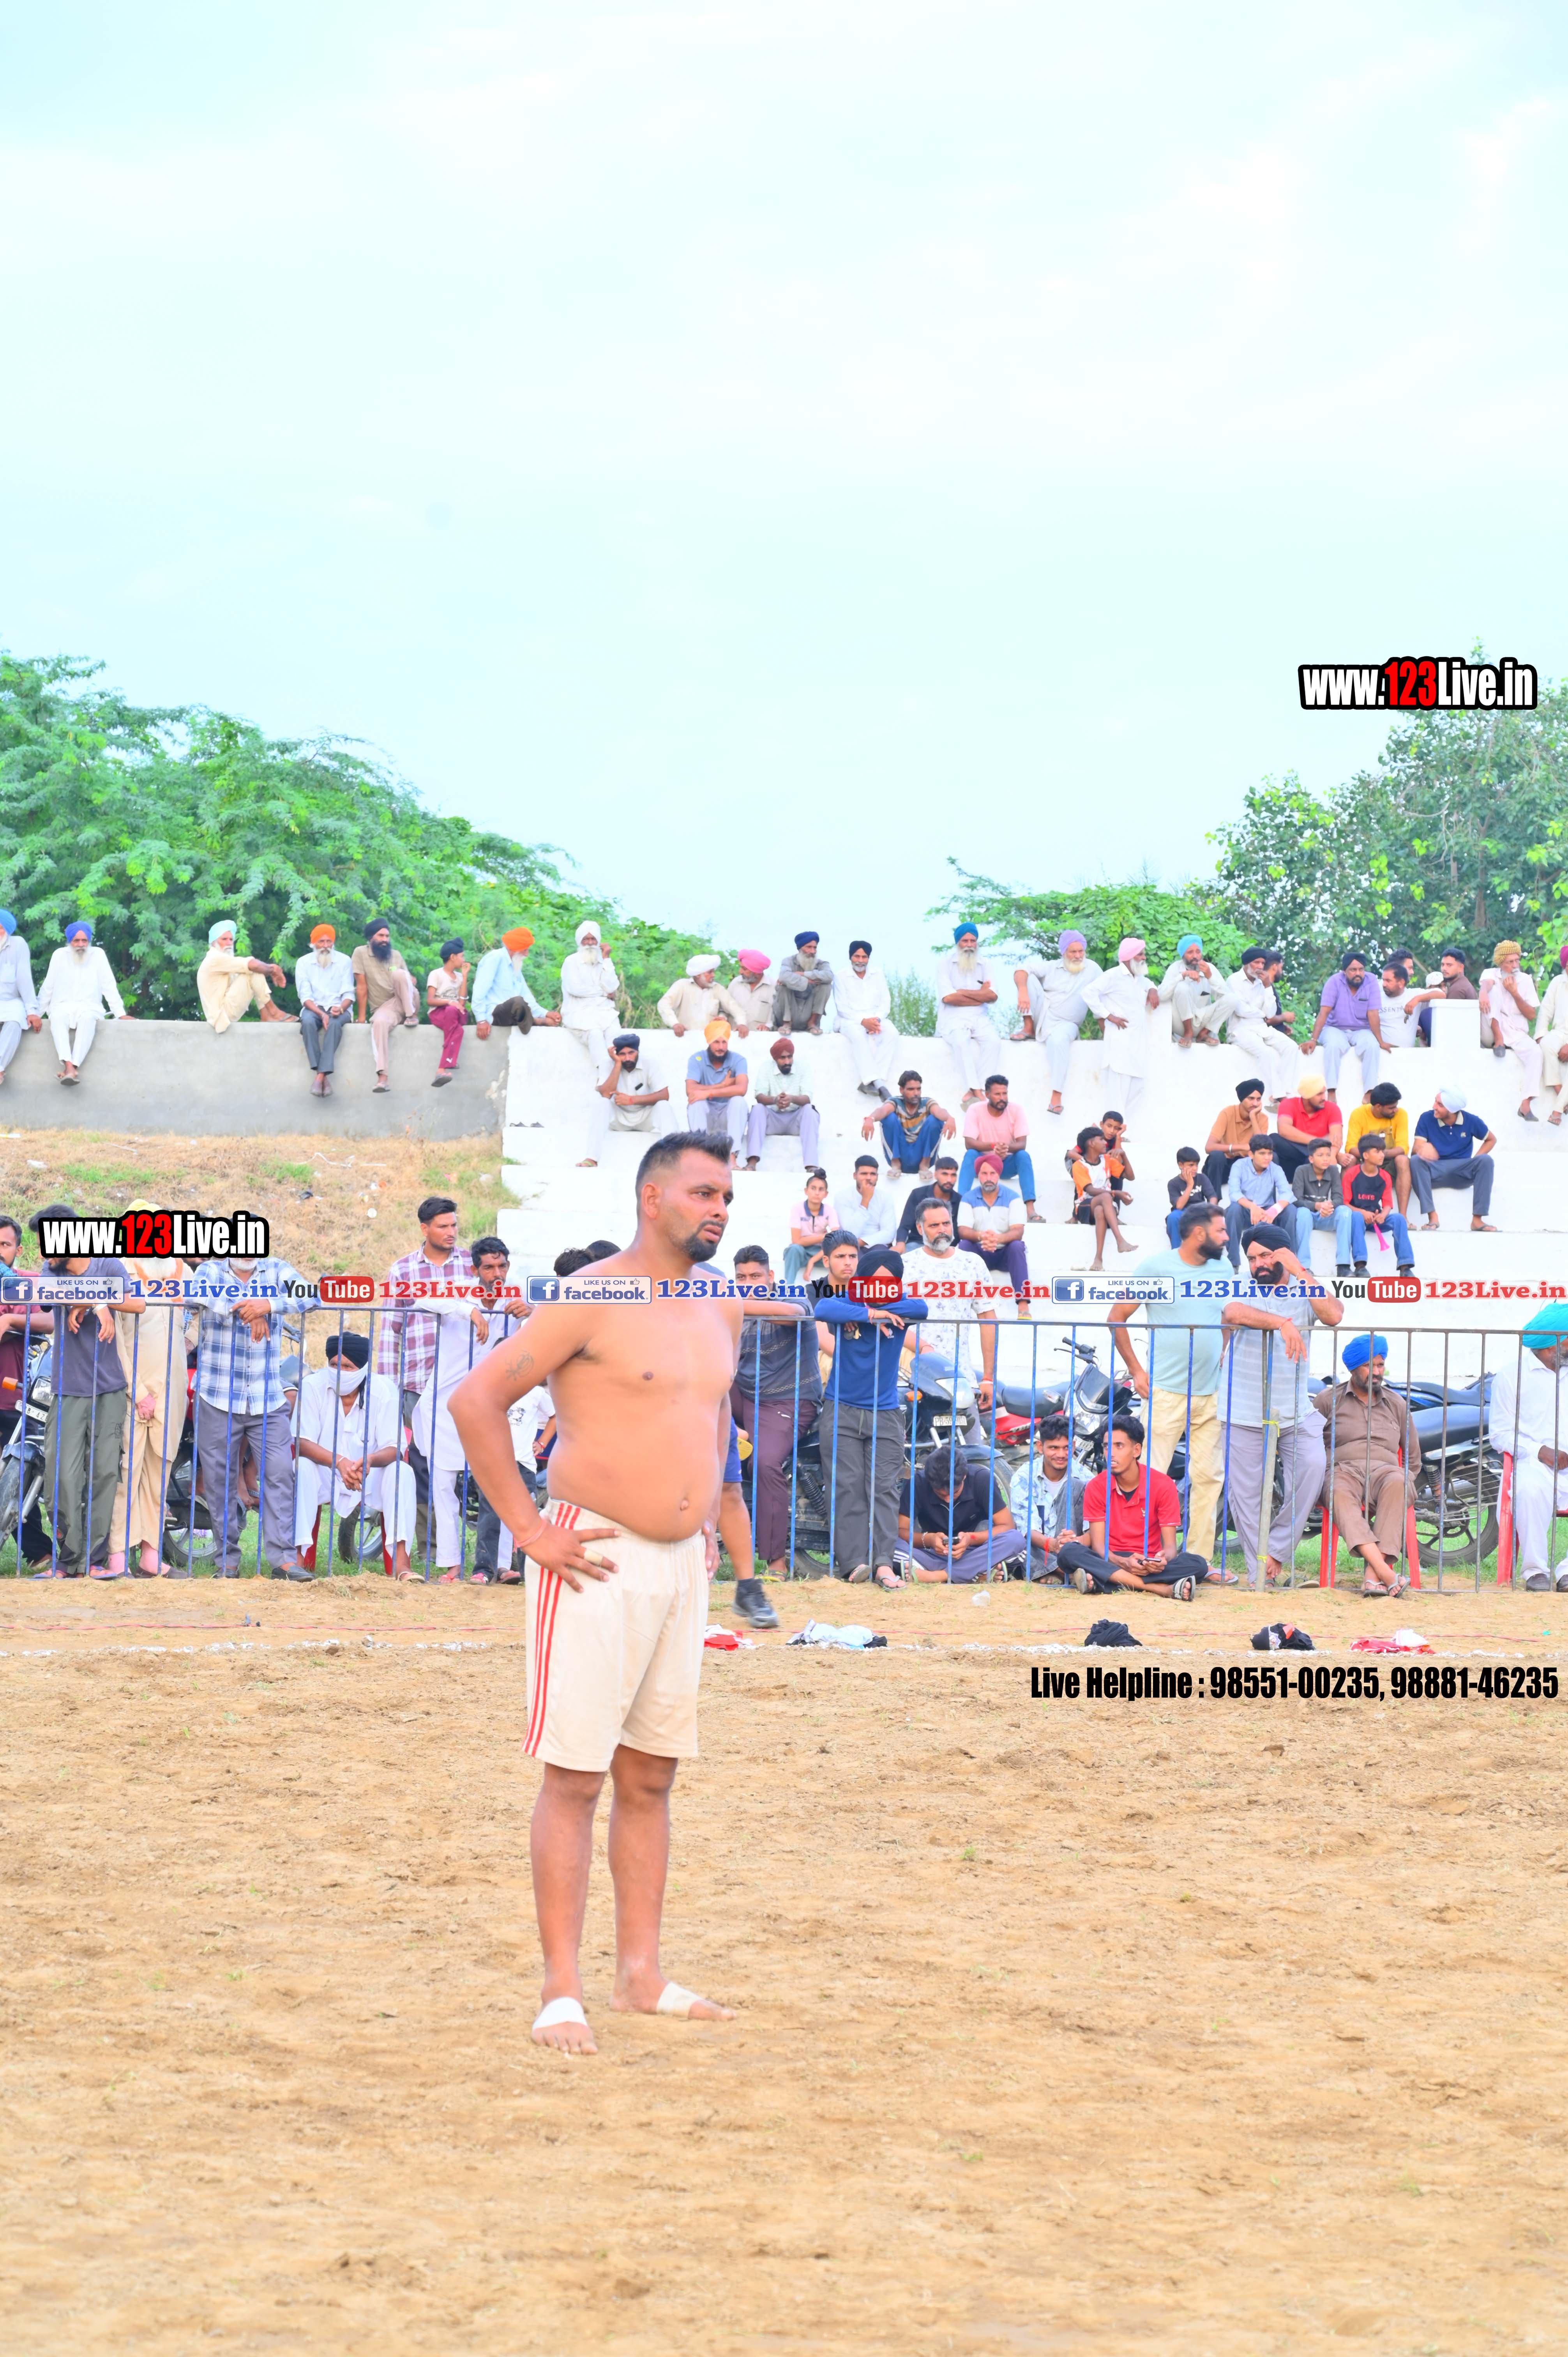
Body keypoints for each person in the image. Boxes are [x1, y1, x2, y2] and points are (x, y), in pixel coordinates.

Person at [448, 1131, 745, 2052]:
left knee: (651, 1775)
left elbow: (707, 1414)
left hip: (680, 1564)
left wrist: (712, 1520)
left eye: (725, 1197)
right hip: (592, 1555)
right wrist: (530, 1530)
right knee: (575, 1776)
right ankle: (560, 1989)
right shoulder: (589, 1296)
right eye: (702, 1193)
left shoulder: (721, 1301)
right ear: (652, 1199)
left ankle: (639, 1976)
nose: (718, 1210)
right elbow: (474, 1401)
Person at [1107, 1203, 1231, 1573]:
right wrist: (1137, 1371)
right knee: (1148, 1477)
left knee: (1209, 1478)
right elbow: (1116, 1318)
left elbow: (1227, 1316)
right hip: (1165, 1393)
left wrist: (1222, 1351)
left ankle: (1198, 1562)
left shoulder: (1224, 1268)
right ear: (1199, 1234)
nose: (1227, 1238)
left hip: (1211, 1393)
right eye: (1221, 1231)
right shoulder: (1156, 1268)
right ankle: (1141, 1557)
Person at [1219, 1226, 1342, 1587]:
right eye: (1253, 1257)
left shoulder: (1305, 1284)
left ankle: (1275, 1551)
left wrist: (1301, 1272)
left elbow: (1334, 1315)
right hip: (1241, 1408)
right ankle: (1260, 1574)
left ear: (1284, 1255)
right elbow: (1233, 1312)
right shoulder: (1241, 1282)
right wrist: (1282, 1323)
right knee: (1245, 1495)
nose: (1258, 1264)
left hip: (1294, 1409)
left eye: (1266, 1256)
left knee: (1313, 1467)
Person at [27, 1205, 146, 1577]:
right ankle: (68, 1559)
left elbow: (138, 1302)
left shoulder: (109, 1264)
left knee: (104, 1474)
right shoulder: (52, 1270)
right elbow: (50, 1296)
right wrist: (96, 1301)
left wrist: (101, 1301)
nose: (44, 1252)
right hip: (67, 1389)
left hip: (109, 1388)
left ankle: (92, 1562)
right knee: (61, 1477)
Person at [189, 1242, 312, 1579]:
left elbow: (311, 1296)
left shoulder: (277, 1268)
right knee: (218, 1482)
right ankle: (226, 1562)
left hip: (267, 1397)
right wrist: (249, 1309)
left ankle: (284, 1560)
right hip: (217, 1395)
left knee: (280, 1474)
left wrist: (269, 1305)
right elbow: (193, 1295)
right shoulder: (210, 1270)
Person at [813, 1245, 929, 1589]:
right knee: (846, 1488)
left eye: (888, 1283)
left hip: (886, 1413)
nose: (880, 1288)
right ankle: (854, 1565)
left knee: (885, 1489)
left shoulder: (901, 1305)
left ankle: (883, 1565)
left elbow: (920, 1308)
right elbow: (823, 1308)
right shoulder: (847, 1302)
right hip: (841, 1410)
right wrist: (869, 1314)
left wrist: (878, 1311)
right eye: (874, 1282)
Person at [104, 1203, 189, 1578]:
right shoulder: (119, 1269)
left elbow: (198, 1312)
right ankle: (117, 1557)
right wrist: (138, 1392)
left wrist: (189, 1341)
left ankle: (150, 1557)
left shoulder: (180, 1269)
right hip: (133, 1392)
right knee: (127, 1474)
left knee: (159, 1475)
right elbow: (119, 1342)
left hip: (172, 1391)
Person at [731, 1245, 820, 1581]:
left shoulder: (794, 1298)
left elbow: (792, 1315)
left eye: (755, 1276)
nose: (748, 1284)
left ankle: (776, 1562)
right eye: (741, 1278)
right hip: (746, 1396)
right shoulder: (733, 1310)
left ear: (771, 1277)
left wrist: (731, 1303)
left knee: (764, 1462)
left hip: (788, 1401)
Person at [293, 1331, 412, 1574]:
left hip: (371, 1473)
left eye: (347, 1367)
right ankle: (298, 1561)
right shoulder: (313, 1386)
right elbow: (302, 1442)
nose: (340, 1372)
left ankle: (401, 1565)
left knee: (403, 1473)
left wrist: (369, 1460)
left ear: (363, 1368)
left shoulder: (384, 1390)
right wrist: (339, 1462)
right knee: (302, 1467)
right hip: (325, 1471)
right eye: (334, 1364)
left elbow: (396, 1448)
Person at [1314, 1334, 1420, 1597]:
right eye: (1368, 1366)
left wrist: (1405, 1478)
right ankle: (1385, 1574)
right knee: (1337, 1490)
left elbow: (1413, 1457)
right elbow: (1308, 1445)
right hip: (1343, 1472)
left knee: (1399, 1482)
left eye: (1380, 1366)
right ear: (1353, 1368)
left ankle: (1374, 1576)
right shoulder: (1328, 1401)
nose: (1376, 1372)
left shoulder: (1397, 1404)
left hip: (1386, 1474)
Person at [1058, 1416, 1208, 1601]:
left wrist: (1162, 1561)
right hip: (1112, 1559)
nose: (1111, 1454)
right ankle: (1161, 1589)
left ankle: (1103, 1581)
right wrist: (1123, 1562)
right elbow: (1099, 1547)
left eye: (1119, 1446)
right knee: (1069, 1553)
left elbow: (1170, 1548)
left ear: (1136, 1450)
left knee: (1198, 1564)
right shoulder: (1096, 1486)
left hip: (1148, 1562)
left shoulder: (1163, 1485)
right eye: (1107, 1447)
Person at [899, 1195, 997, 1440]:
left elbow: (988, 1320)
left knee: (971, 1452)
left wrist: (988, 1378)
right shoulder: (904, 1265)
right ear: (920, 1228)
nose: (942, 1230)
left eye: (946, 1224)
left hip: (961, 1379)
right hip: (912, 1379)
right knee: (914, 1453)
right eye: (934, 1226)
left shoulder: (972, 1263)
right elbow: (890, 1320)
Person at [374, 1197, 478, 1419]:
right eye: (443, 1227)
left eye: (454, 1225)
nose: (451, 1232)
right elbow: (390, 1332)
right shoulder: (402, 1271)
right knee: (416, 1442)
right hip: (418, 1383)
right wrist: (389, 1389)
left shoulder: (473, 1265)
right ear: (425, 1229)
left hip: (465, 1382)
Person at [1489, 1307, 1568, 1590]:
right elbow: (1499, 1435)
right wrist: (1539, 1451)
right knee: (1530, 1490)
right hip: (1534, 1464)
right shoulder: (1511, 1377)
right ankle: (1535, 1571)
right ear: (1552, 1345)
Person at [896, 1449, 1027, 1582]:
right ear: (930, 1482)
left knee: (1016, 1540)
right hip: (933, 1554)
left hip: (977, 1552)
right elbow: (901, 1531)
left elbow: (1007, 1526)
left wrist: (971, 1539)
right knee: (892, 1544)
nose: (948, 1500)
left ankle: (940, 1576)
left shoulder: (982, 1479)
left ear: (964, 1477)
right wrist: (929, 1540)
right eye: (941, 1494)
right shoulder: (918, 1483)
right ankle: (975, 1574)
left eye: (955, 1493)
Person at [0, 1214, 49, 1564]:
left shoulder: (24, 1284)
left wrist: (10, 1320)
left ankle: (38, 1551)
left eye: (5, 1244)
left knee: (14, 1475)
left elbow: (51, 1318)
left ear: (18, 1249)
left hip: (10, 1398)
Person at [1012, 929, 1102, 1113]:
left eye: (1081, 951)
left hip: (1067, 1025)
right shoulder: (1052, 967)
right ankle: (1028, 1028)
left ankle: (1056, 1096)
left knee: (1058, 1041)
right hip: (1043, 1016)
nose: (1078, 956)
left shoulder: (1093, 969)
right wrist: (1023, 992)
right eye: (1073, 952)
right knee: (1027, 977)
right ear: (1064, 953)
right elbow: (1021, 970)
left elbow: (1108, 989)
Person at [37, 919, 131, 1082]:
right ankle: (70, 1067)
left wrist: (121, 1014)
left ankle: (71, 1067)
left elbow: (108, 986)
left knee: (88, 1020)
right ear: (70, 942)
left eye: (84, 941)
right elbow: (48, 987)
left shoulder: (98, 955)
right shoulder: (59, 955)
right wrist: (36, 1014)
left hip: (90, 1007)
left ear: (89, 941)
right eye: (76, 941)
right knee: (57, 1018)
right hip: (62, 1006)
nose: (81, 945)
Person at [1007, 1414, 1088, 1581]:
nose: (1061, 1454)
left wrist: (1072, 1543)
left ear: (1074, 1446)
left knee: (1073, 1486)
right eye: (1054, 1448)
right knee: (1016, 1542)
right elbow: (1026, 1529)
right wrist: (1053, 1544)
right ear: (1040, 1447)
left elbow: (1092, 1531)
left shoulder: (1086, 1478)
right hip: (1039, 1549)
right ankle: (1067, 1573)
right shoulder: (1024, 1477)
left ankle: (1050, 1573)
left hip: (1075, 1548)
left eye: (1066, 1448)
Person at [1086, 937, 1159, 1119]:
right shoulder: (1113, 975)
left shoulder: (1139, 978)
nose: (1144, 957)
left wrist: (1153, 990)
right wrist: (1108, 1016)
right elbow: (1088, 993)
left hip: (1136, 1045)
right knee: (1118, 1095)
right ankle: (1115, 1130)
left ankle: (1122, 1128)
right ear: (1129, 958)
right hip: (1119, 1044)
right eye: (1140, 955)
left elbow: (1149, 984)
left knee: (1138, 1090)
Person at [581, 1032, 676, 1165]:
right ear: (616, 1054)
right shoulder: (607, 1063)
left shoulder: (649, 1063)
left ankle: (674, 1159)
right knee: (602, 1103)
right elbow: (606, 1094)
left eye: (631, 1053)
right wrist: (617, 1065)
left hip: (645, 1118)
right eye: (622, 1054)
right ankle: (592, 1158)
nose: (627, 1058)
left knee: (664, 1106)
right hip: (619, 1119)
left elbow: (664, 1095)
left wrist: (632, 1100)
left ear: (638, 1051)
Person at [1409, 1089, 1496, 1232]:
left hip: (1461, 1173)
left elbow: (1491, 1139)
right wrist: (1422, 1149)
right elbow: (1416, 1148)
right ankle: (1433, 1217)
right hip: (1434, 1172)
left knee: (1486, 1160)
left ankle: (1477, 1220)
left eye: (1440, 1105)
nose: (1434, 1106)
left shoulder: (1471, 1120)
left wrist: (1476, 1160)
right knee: (1415, 1161)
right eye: (1435, 1101)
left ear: (1452, 1110)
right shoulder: (1426, 1118)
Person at [1303, 952, 1384, 1099]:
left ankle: (1370, 1092)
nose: (1358, 973)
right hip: (1335, 1028)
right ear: (1345, 971)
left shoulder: (1371, 981)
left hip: (1362, 1029)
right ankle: (1331, 1090)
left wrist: (1381, 1041)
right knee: (1333, 1046)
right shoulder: (1334, 982)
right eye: (1353, 970)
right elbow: (1324, 1012)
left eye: (1361, 969)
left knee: (1373, 1046)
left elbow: (1373, 1014)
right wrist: (1314, 1039)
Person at [957, 1152, 1031, 1314]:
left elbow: (1018, 1231)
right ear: (978, 1175)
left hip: (1005, 1253)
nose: (989, 1178)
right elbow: (963, 1230)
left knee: (1017, 1246)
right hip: (980, 1254)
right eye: (984, 1173)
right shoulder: (968, 1198)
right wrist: (982, 1237)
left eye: (993, 1173)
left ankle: (1023, 1304)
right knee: (964, 1246)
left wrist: (997, 1239)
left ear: (999, 1175)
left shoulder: (1013, 1198)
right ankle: (962, 1302)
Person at [352, 919, 420, 1092]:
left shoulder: (396, 955)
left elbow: (409, 983)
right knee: (379, 1023)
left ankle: (411, 1015)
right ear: (371, 938)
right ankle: (383, 1077)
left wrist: (409, 980)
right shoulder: (360, 954)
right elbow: (362, 987)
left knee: (399, 975)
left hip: (408, 1000)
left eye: (387, 936)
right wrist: (361, 1018)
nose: (385, 940)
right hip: (386, 1009)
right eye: (381, 936)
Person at [960, 1074, 1042, 1218]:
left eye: (1005, 1094)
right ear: (987, 1095)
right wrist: (994, 1146)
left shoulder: (1016, 1110)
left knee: (1023, 1156)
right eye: (998, 1094)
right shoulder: (975, 1109)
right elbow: (969, 1143)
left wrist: (1005, 1148)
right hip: (983, 1165)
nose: (1002, 1098)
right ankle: (960, 1206)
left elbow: (1022, 1144)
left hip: (1005, 1164)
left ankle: (1030, 1209)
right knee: (970, 1154)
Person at [936, 922, 1000, 1104]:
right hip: (953, 1017)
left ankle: (978, 1088)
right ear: (958, 943)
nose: (970, 945)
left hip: (979, 1017)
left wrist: (962, 992)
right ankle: (976, 1090)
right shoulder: (945, 964)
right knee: (961, 1042)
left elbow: (993, 996)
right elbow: (948, 998)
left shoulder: (985, 964)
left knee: (994, 1043)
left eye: (973, 941)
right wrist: (981, 995)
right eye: (965, 941)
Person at [1479, 940, 1543, 1120]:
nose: (1515, 965)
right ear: (1501, 963)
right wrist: (1482, 994)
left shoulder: (1525, 980)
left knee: (1536, 1053)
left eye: (1517, 961)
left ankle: (1526, 1103)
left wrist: (1515, 993)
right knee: (1492, 990)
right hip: (1491, 1031)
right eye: (1510, 962)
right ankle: (1499, 1039)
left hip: (1515, 1032)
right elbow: (1486, 985)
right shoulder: (1491, 974)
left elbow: (1531, 1015)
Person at [1226, 947, 1298, 1103]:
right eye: (1256, 963)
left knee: (1292, 1047)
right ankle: (1280, 1096)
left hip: (1261, 1028)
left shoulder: (1263, 983)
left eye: (1263, 963)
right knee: (1267, 1053)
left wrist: (1267, 987)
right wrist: (1262, 1014)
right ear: (1247, 964)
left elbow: (1271, 1014)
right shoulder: (1234, 981)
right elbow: (1241, 1010)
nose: (1260, 967)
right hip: (1241, 1030)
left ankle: (1285, 1091)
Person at [1341, 1133, 1415, 1275]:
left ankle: (1406, 1267)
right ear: (1366, 1155)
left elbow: (1387, 1204)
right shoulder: (1351, 1174)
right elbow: (1345, 1203)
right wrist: (1363, 1213)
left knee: (1399, 1219)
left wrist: (1383, 1215)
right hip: (1358, 1218)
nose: (1382, 1155)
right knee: (1356, 1217)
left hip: (1376, 1218)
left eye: (1382, 1151)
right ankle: (1360, 1266)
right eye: (1378, 1152)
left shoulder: (1385, 1176)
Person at [295, 924, 355, 1096]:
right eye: (321, 942)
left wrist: (341, 1008)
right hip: (314, 1008)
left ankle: (320, 1077)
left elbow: (349, 993)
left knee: (335, 1024)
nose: (326, 946)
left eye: (329, 941)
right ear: (314, 943)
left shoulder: (345, 961)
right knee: (307, 1022)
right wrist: (322, 1014)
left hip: (339, 1007)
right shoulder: (303, 963)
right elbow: (305, 997)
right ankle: (323, 1077)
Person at [744, 1037, 821, 1170]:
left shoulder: (803, 1068)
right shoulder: (766, 1068)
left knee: (810, 1110)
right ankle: (752, 1163)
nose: (787, 1062)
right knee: (758, 1109)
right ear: (775, 1059)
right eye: (783, 1058)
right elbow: (760, 1096)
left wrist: (791, 1099)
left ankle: (812, 1165)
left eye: (790, 1057)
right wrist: (775, 1100)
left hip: (796, 1121)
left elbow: (807, 1098)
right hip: (773, 1120)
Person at [832, 939, 898, 1096]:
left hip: (876, 1019)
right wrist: (863, 1022)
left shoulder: (878, 974)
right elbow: (842, 1008)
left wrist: (876, 1021)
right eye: (857, 956)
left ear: (869, 958)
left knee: (892, 1033)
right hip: (850, 1020)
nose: (860, 961)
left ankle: (874, 1081)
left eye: (864, 957)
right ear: (851, 957)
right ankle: (878, 1085)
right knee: (858, 1037)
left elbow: (886, 1001)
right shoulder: (841, 976)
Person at [197, 919, 289, 1032]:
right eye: (224, 939)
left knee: (251, 972)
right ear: (213, 943)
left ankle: (266, 1015)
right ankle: (274, 1012)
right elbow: (253, 965)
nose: (229, 943)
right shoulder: (215, 958)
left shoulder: (222, 960)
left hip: (224, 1013)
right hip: (221, 1017)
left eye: (231, 939)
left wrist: (269, 969)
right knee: (253, 971)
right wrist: (273, 970)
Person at [559, 920, 622, 1079]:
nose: (589, 943)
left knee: (615, 1038)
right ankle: (605, 1079)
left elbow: (612, 987)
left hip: (605, 1011)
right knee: (595, 1034)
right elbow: (575, 989)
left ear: (598, 941)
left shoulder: (603, 962)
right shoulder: (571, 962)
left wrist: (607, 959)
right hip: (579, 1012)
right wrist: (603, 993)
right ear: (579, 941)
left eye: (593, 939)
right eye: (585, 939)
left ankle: (615, 1077)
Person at [865, 1068, 955, 1176]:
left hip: (923, 1156)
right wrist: (870, 1119)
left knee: (936, 1120)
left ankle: (925, 1165)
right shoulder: (896, 1102)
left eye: (918, 1089)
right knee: (889, 1118)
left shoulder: (927, 1103)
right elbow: (883, 1111)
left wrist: (950, 1118)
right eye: (911, 1089)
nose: (916, 1093)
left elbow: (939, 1111)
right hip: (900, 1155)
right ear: (902, 1090)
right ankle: (896, 1164)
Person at [473, 927, 561, 1035]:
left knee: (521, 1002)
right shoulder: (495, 958)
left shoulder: (515, 965)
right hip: (494, 1014)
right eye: (525, 950)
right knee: (518, 1002)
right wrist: (481, 1020)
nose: (527, 954)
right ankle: (537, 1022)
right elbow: (479, 991)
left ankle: (537, 1020)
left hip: (512, 1016)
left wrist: (546, 1013)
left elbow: (527, 997)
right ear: (514, 949)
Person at [1224, 1136, 1293, 1271]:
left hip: (1268, 1214)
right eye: (1262, 1154)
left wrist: (1274, 1210)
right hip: (1246, 1212)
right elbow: (1234, 1193)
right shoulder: (1239, 1166)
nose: (1267, 1158)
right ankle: (1233, 1262)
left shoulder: (1276, 1169)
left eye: (1270, 1153)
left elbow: (1287, 1194)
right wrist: (1252, 1207)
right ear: (1251, 1154)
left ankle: (1289, 1259)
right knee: (1234, 1209)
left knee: (1290, 1210)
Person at [1156, 933, 1235, 1048]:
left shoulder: (1209, 968)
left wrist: (1210, 977)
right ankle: (1188, 1033)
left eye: (1198, 952)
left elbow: (1226, 998)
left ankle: (1204, 1034)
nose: (1195, 956)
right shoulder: (1175, 968)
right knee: (1182, 987)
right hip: (1181, 1025)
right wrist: (1182, 976)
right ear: (1183, 955)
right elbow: (1161, 995)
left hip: (1203, 1022)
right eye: (1190, 952)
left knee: (1233, 999)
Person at [1343, 1082, 1412, 1213]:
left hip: (1389, 1163)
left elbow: (1403, 1148)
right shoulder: (1358, 1114)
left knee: (1403, 1160)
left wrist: (1379, 1154)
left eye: (1396, 1106)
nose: (1396, 1110)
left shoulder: (1401, 1114)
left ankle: (1403, 1216)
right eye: (1392, 1108)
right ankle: (1347, 1212)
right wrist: (1370, 1157)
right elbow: (1350, 1148)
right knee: (1349, 1159)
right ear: (1379, 1107)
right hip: (1365, 1163)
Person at [1069, 1126, 1132, 1269]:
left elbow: (1130, 1176)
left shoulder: (1107, 1160)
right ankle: (1120, 1240)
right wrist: (1116, 1193)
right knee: (1105, 1197)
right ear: (1091, 1143)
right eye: (1101, 1139)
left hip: (1104, 1207)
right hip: (1085, 1208)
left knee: (1100, 1211)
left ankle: (1098, 1259)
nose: (1105, 1143)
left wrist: (1124, 1156)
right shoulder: (1079, 1165)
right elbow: (1090, 1190)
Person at [685, 1019, 749, 1159]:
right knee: (696, 1102)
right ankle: (701, 1157)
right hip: (706, 1114)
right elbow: (691, 1090)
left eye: (724, 1042)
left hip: (727, 1114)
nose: (721, 1047)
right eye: (716, 1042)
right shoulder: (697, 1059)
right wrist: (722, 1085)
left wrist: (708, 1092)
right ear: (709, 1042)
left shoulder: (738, 1060)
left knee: (739, 1101)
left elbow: (742, 1089)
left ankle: (732, 1157)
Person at [1267, 1069, 1343, 1182]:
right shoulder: (1288, 1104)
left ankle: (1317, 1155)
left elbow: (1336, 1140)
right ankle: (1317, 1154)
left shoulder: (1332, 1108)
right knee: (1274, 1139)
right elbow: (1284, 1130)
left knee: (1316, 1159)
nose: (1324, 1097)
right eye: (1319, 1094)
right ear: (1307, 1096)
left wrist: (1332, 1155)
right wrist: (1319, 1142)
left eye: (1324, 1093)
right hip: (1290, 1164)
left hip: (1313, 1164)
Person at [1292, 1135, 1354, 1270]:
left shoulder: (1333, 1170)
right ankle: (1303, 1266)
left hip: (1325, 1216)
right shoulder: (1301, 1171)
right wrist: (1317, 1206)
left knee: (1345, 1211)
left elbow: (1339, 1198)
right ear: (1311, 1159)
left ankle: (1343, 1265)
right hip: (1308, 1217)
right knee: (1302, 1213)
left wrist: (1329, 1207)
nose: (1326, 1159)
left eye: (1328, 1155)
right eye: (1321, 1155)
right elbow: (1297, 1200)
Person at [1202, 1080, 1269, 1197]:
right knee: (1216, 1156)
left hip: (1246, 1166)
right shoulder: (1227, 1113)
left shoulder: (1262, 1118)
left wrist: (1253, 1118)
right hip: (1225, 1164)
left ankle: (1267, 1202)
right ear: (1242, 1099)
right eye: (1251, 1098)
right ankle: (1213, 1201)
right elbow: (1209, 1147)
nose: (1255, 1103)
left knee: (1271, 1158)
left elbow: (1262, 1148)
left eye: (1259, 1099)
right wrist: (1241, 1147)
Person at [0, 909, 42, 1088]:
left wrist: (32, 1011)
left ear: (7, 930)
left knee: (15, 1021)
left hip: (12, 1001)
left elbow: (24, 978)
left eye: (0, 928)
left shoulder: (18, 944)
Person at [657, 952, 745, 1038]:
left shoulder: (718, 989)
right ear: (698, 975)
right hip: (685, 1039)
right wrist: (675, 1024)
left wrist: (741, 1024)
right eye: (710, 972)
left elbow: (735, 1008)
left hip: (711, 1040)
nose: (713, 975)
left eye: (713, 972)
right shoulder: (682, 985)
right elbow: (664, 1004)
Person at [1407, 945, 1478, 1045]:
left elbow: (1448, 1029)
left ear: (1461, 968)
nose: (1444, 968)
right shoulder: (1461, 985)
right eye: (1443, 965)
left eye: (1449, 965)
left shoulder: (1458, 989)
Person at [424, 939, 469, 1086]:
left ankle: (442, 1069)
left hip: (456, 1013)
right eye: (462, 956)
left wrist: (465, 977)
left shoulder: (460, 977)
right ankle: (444, 1066)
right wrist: (449, 1002)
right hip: (439, 1013)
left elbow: (462, 1003)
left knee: (454, 1013)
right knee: (458, 1031)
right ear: (453, 957)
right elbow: (430, 1000)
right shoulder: (436, 974)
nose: (464, 960)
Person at [783, 1168, 837, 1285]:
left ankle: (841, 1290)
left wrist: (812, 1261)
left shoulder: (830, 1211)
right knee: (793, 1249)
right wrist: (824, 1237)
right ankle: (788, 1287)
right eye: (813, 1188)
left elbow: (836, 1239)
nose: (817, 1193)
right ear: (806, 1191)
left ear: (826, 1194)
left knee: (838, 1254)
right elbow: (797, 1241)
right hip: (802, 1252)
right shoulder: (797, 1209)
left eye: (821, 1189)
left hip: (821, 1252)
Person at [896, 1155, 965, 1247]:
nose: (949, 1180)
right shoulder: (918, 1194)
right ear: (936, 1175)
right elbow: (905, 1225)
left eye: (953, 1175)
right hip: (918, 1243)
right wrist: (900, 1244)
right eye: (945, 1174)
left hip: (945, 1246)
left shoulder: (959, 1200)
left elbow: (957, 1233)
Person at [772, 932, 834, 1034]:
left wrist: (803, 974)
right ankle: (787, 1023)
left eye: (815, 948)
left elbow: (829, 977)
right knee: (783, 986)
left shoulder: (822, 964)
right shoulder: (788, 961)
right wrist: (808, 981)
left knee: (826, 986)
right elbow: (783, 977)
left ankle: (812, 1023)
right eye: (809, 947)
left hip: (809, 1011)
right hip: (789, 1010)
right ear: (800, 948)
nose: (813, 951)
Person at [1165, 1148, 1219, 1248]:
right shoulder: (1173, 1183)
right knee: (1173, 1217)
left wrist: (1211, 1209)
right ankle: (1176, 1251)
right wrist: (1190, 1185)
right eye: (1191, 1165)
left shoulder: (1202, 1178)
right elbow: (1179, 1206)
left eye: (1197, 1165)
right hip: (1183, 1213)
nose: (1195, 1168)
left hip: (1200, 1210)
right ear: (1181, 1165)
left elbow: (1213, 1197)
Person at [1538, 947, 1568, 1126]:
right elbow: (1546, 1010)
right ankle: (1562, 1096)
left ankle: (1557, 1110)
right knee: (1546, 1044)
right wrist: (1541, 1035)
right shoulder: (1558, 982)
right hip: (1560, 1033)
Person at [846, 1154, 901, 1248]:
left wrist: (862, 1242)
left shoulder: (885, 1197)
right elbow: (850, 1233)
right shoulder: (843, 1197)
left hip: (877, 1246)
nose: (869, 1178)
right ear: (855, 1176)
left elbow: (889, 1234)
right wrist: (865, 1200)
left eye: (873, 1174)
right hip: (851, 1247)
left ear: (877, 1177)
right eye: (864, 1174)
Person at [1372, 959, 1423, 1052]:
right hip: (1381, 1054)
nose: (1384, 984)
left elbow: (1441, 994)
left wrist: (1416, 1000)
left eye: (1388, 981)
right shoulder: (1376, 998)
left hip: (1407, 1056)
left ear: (1401, 983)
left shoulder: (1413, 995)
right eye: (1383, 980)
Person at [725, 949, 775, 1034]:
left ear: (757, 972)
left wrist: (768, 1026)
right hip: (735, 1037)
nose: (740, 972)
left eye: (744, 969)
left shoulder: (774, 987)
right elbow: (725, 1009)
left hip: (761, 1038)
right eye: (741, 968)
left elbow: (778, 1016)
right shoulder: (735, 983)